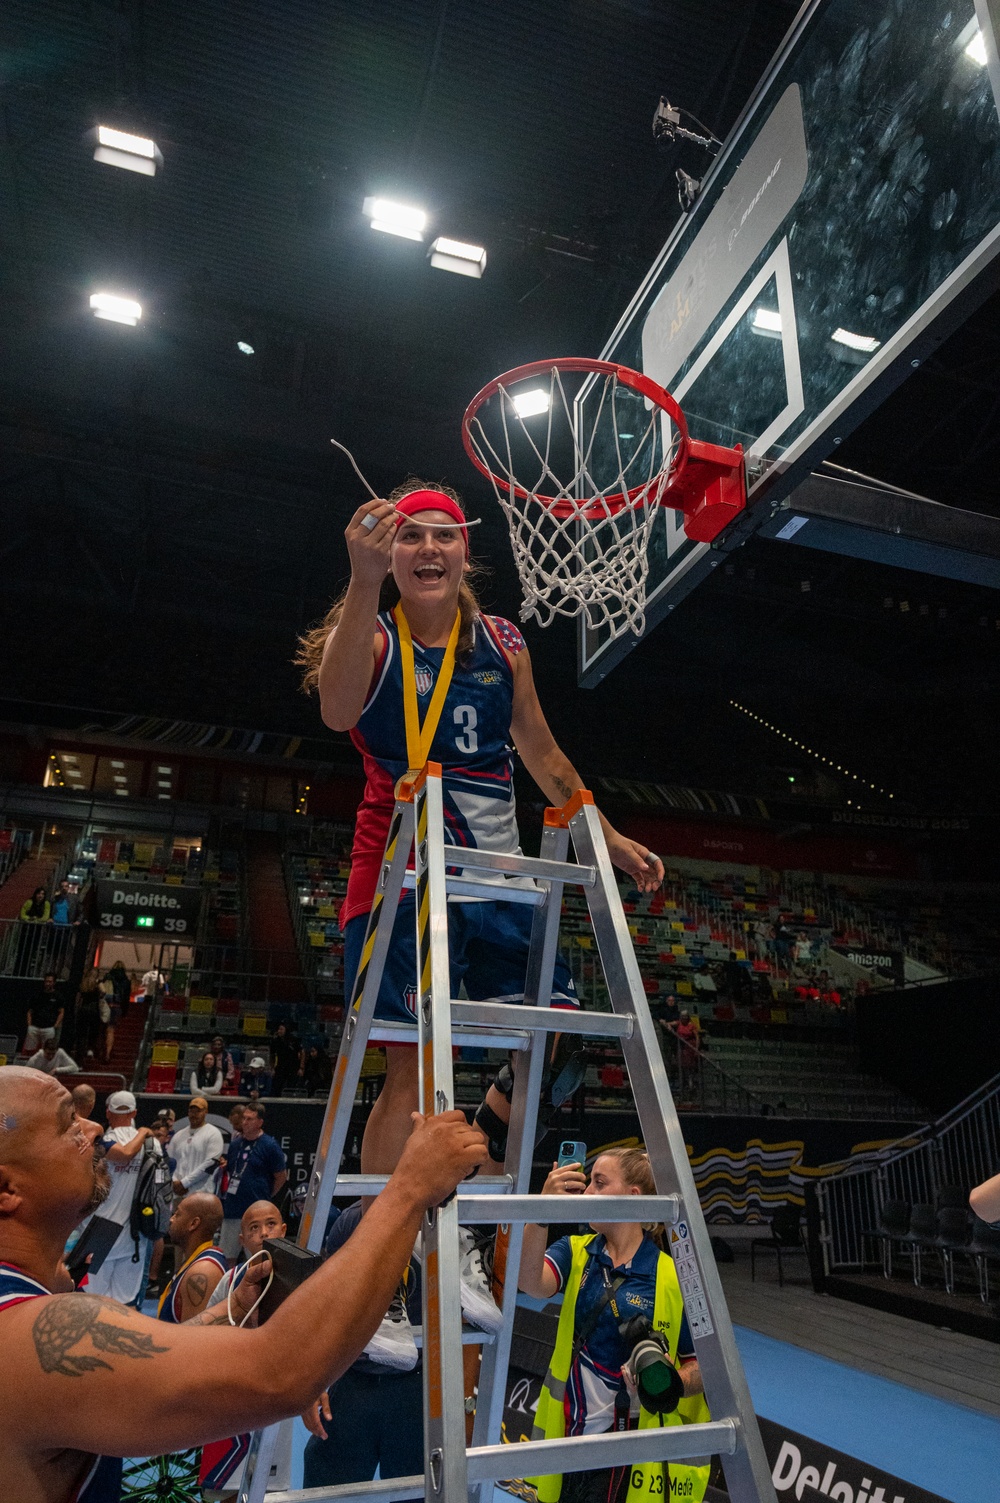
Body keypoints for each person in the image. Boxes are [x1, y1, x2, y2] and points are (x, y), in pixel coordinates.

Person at [294, 481, 662, 1186]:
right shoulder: (371, 637)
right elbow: (339, 712)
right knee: (414, 1063)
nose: (427, 547)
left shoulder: (502, 641)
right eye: (410, 536)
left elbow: (545, 755)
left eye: (444, 535)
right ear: (389, 552)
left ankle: (478, 1165)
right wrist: (360, 582)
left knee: (547, 1029)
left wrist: (604, 832)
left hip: (497, 872)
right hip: (403, 877)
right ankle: (387, 1252)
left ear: (466, 549)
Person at [0, 1065, 485, 1503]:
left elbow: (137, 1357)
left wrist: (229, 1308)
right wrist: (409, 1190)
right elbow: (280, 1376)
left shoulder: (35, 1309)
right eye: (69, 1123)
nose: (95, 1128)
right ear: (7, 1190)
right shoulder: (37, 1333)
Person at [519, 1147, 708, 1503]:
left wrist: (667, 1382)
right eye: (589, 1182)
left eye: (599, 1183)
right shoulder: (575, 1251)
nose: (587, 1193)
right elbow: (530, 1282)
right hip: (567, 1442)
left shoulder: (674, 1276)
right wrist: (541, 1211)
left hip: (627, 1455)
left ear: (632, 1196)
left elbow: (702, 1366)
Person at [302, 1198, 424, 1490]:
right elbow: (325, 1308)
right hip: (354, 1379)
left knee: (420, 1491)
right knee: (327, 1489)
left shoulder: (444, 1223)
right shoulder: (351, 1221)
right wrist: (311, 1383)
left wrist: (466, 1406)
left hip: (418, 1385)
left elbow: (465, 1321)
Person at [83, 1089, 155, 1305]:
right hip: (137, 1233)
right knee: (125, 1303)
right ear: (134, 1113)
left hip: (101, 1232)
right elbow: (125, 1155)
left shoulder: (100, 1140)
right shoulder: (153, 1144)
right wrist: (142, 1132)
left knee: (93, 1301)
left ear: (107, 1113)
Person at [219, 1102, 288, 1259]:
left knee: (257, 1257)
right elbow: (231, 1170)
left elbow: (281, 1176)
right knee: (227, 1256)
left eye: (250, 1119)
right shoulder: (235, 1144)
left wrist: (266, 1196)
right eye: (244, 1118)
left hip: (256, 1209)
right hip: (233, 1208)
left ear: (260, 1122)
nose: (244, 1122)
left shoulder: (270, 1145)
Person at [157, 1193, 227, 1323]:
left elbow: (192, 1339)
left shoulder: (202, 1271)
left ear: (193, 1223)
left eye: (177, 1214)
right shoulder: (196, 1260)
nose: (171, 1219)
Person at [169, 1096, 225, 1198]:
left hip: (200, 1194)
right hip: (177, 1194)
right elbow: (168, 1161)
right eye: (191, 1111)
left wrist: (185, 1183)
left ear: (205, 1112)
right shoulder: (179, 1135)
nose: (194, 1114)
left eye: (198, 1111)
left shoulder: (213, 1133)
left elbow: (210, 1164)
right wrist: (174, 1182)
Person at [24, 972, 65, 1054]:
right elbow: (30, 1011)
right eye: (46, 981)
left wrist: (55, 1026)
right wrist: (29, 1025)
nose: (47, 984)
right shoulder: (37, 995)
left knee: (46, 1051)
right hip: (34, 1027)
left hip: (49, 1028)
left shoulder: (58, 996)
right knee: (29, 1050)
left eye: (50, 981)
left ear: (54, 983)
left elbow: (61, 1012)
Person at [74, 968, 105, 1060]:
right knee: (93, 1031)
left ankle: (79, 1052)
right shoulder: (97, 982)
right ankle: (90, 1049)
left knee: (82, 1033)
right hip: (94, 1010)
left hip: (83, 1009)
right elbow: (104, 991)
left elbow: (78, 998)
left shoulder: (83, 982)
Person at [269, 1022, 300, 1096]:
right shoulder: (275, 1041)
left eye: (281, 1029)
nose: (279, 1031)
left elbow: (301, 1053)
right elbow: (272, 1055)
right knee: (277, 1086)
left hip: (292, 1067)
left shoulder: (293, 1040)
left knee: (291, 1086)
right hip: (280, 1066)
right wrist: (272, 1068)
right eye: (278, 1029)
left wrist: (301, 1068)